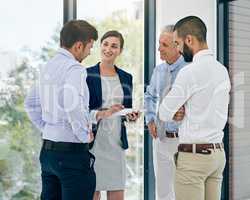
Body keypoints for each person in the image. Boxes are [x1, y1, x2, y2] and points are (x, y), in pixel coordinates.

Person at [24, 20, 122, 200]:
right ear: (78, 46)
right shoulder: (75, 69)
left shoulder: (48, 66)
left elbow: (30, 104)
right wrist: (83, 134)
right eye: (89, 47)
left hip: (47, 154)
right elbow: (72, 104)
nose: (90, 52)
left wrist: (47, 128)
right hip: (71, 155)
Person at [159, 16, 231, 200]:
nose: (179, 50)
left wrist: (176, 109)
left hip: (194, 158)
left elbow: (164, 112)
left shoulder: (189, 72)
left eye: (178, 43)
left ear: (189, 40)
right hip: (217, 156)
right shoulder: (222, 70)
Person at [86, 30, 139, 200]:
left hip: (116, 143)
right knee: (92, 193)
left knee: (117, 193)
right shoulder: (86, 74)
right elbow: (80, 111)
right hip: (93, 143)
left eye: (114, 46)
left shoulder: (126, 77)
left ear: (120, 51)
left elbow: (126, 109)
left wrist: (130, 116)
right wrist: (104, 112)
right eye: (105, 44)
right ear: (100, 46)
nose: (109, 49)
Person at [144, 25, 187, 200]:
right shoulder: (159, 70)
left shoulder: (189, 69)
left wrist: (185, 111)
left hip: (183, 139)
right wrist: (150, 119)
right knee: (162, 192)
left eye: (164, 44)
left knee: (182, 192)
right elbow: (150, 96)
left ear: (178, 46)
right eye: (159, 43)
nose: (159, 48)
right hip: (161, 139)